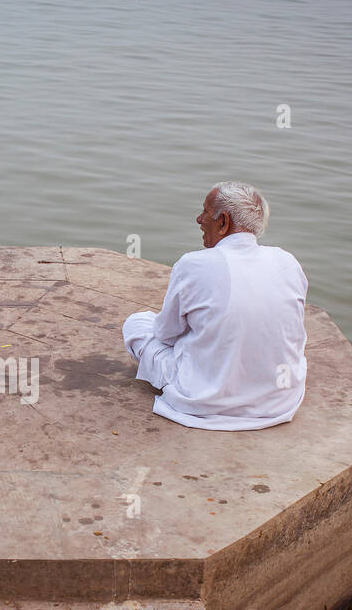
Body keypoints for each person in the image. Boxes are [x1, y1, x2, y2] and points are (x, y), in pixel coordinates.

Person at [122, 181, 308, 429]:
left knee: (137, 324)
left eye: (205, 213)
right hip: (279, 398)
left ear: (223, 222)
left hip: (206, 399)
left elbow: (165, 335)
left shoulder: (193, 264)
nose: (199, 220)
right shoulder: (287, 261)